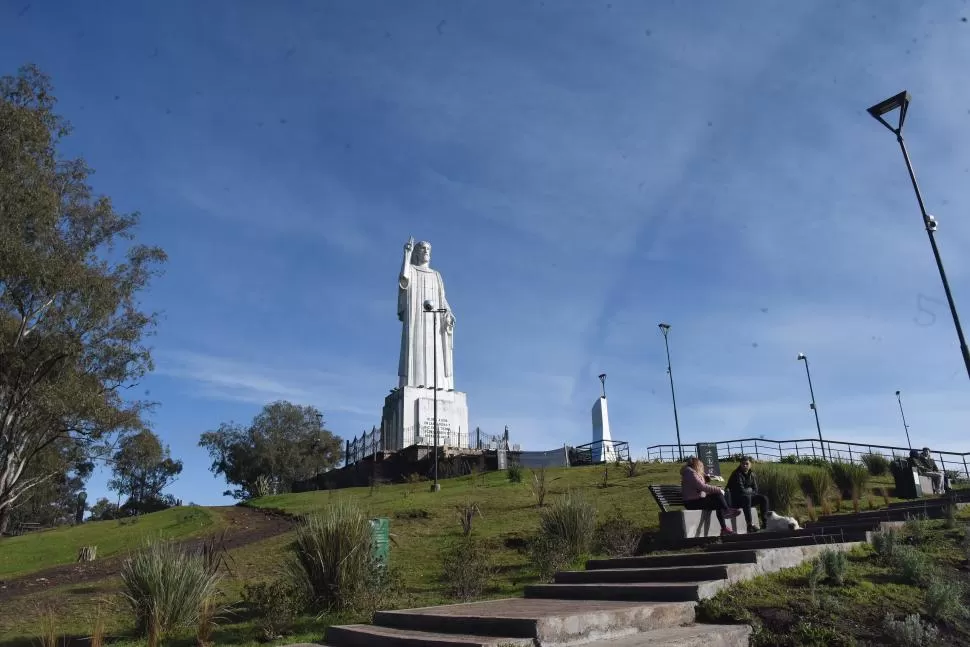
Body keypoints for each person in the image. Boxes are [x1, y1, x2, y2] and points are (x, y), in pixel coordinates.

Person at [681, 456, 741, 536]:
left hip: (697, 499)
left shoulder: (693, 472)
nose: (702, 468)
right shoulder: (690, 472)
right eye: (701, 466)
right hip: (691, 502)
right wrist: (718, 490)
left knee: (718, 501)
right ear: (697, 465)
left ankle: (724, 527)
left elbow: (701, 488)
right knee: (718, 495)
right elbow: (702, 487)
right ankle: (726, 511)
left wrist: (707, 481)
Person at [726, 456, 770, 533]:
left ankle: (765, 523)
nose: (745, 465)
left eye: (747, 464)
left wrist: (750, 491)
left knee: (764, 498)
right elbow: (741, 491)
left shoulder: (752, 474)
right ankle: (749, 525)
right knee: (747, 498)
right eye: (743, 464)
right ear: (740, 464)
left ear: (750, 464)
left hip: (746, 499)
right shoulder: (736, 474)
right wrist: (750, 490)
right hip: (735, 500)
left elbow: (756, 490)